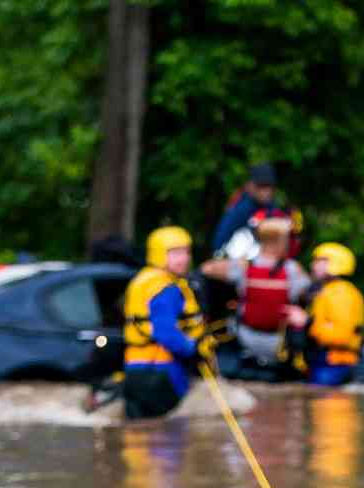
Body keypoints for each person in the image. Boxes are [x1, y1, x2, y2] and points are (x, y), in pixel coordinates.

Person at [198, 212, 308, 375]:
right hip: (274, 344)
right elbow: (309, 292)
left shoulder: (244, 267)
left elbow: (206, 268)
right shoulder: (292, 269)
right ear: (280, 241)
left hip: (250, 340)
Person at [117, 225, 210, 420]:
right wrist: (194, 349)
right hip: (160, 371)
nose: (184, 258)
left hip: (135, 369)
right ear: (159, 254)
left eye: (186, 252)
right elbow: (166, 332)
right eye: (175, 253)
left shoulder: (143, 279)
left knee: (139, 439)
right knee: (167, 441)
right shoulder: (166, 289)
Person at [288, 242, 364, 386]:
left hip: (336, 363)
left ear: (335, 263)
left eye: (320, 261)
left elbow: (341, 335)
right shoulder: (327, 291)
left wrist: (307, 322)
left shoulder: (340, 293)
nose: (313, 265)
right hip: (325, 361)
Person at [210, 161, 292, 257]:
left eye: (269, 186)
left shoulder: (272, 207)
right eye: (261, 186)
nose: (266, 191)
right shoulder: (241, 208)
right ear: (250, 186)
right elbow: (219, 242)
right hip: (236, 261)